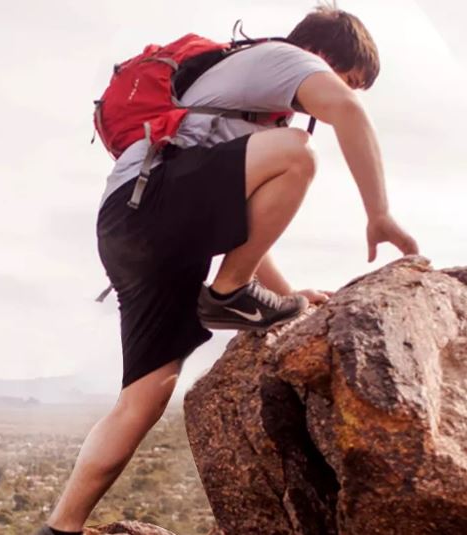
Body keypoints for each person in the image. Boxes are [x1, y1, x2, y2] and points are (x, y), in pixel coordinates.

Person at [36, 5, 419, 534]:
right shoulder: (284, 59)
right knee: (299, 154)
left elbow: (242, 222)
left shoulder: (248, 108)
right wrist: (379, 213)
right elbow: (348, 111)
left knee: (143, 399)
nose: (337, 90)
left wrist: (293, 299)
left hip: (132, 229)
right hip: (154, 207)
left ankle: (60, 527)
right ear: (326, 57)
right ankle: (228, 292)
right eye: (345, 77)